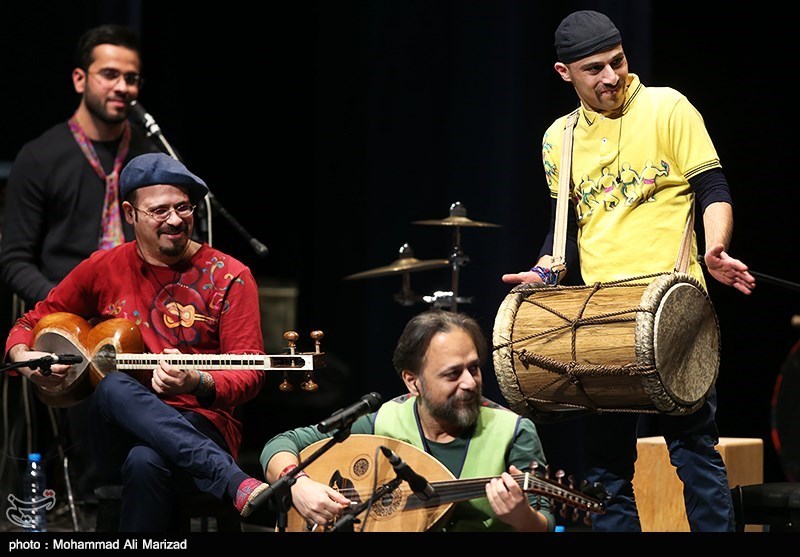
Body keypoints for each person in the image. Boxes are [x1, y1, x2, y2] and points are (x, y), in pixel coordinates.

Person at [502, 10, 756, 532]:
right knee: (606, 470)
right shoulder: (559, 137)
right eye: (594, 69)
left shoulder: (668, 107)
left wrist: (716, 248)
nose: (611, 77)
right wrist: (544, 274)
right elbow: (564, 229)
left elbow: (712, 188)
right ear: (563, 73)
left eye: (617, 62)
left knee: (695, 453)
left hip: (674, 310)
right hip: (601, 319)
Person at [3, 152, 268, 531]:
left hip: (202, 424)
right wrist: (26, 355)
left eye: (183, 208)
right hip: (119, 433)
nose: (176, 220)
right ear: (130, 214)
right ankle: (232, 480)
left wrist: (198, 381)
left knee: (145, 463)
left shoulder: (230, 276)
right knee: (113, 386)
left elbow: (252, 371)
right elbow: (31, 320)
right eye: (160, 211)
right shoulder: (104, 267)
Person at [0, 24, 161, 513]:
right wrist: (65, 317)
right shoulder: (42, 156)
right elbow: (13, 260)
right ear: (79, 79)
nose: (122, 88)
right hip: (69, 325)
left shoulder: (151, 156)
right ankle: (89, 510)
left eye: (131, 78)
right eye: (109, 74)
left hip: (144, 320)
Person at [260, 309, 555, 532]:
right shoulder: (383, 421)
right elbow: (280, 444)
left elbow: (545, 523)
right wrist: (297, 485)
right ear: (412, 382)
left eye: (474, 368)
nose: (469, 383)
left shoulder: (513, 431)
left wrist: (521, 516)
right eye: (453, 374)